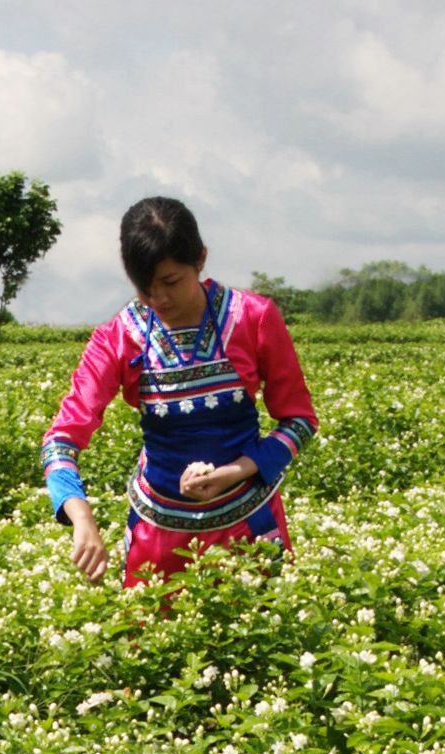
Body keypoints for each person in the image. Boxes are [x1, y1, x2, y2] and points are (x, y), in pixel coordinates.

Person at [42, 198, 318, 587]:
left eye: (170, 282)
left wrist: (237, 471)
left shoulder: (251, 319)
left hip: (250, 526)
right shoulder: (118, 338)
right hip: (157, 539)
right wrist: (81, 517)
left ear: (200, 259)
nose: (159, 300)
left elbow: (300, 420)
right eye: (144, 288)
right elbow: (60, 441)